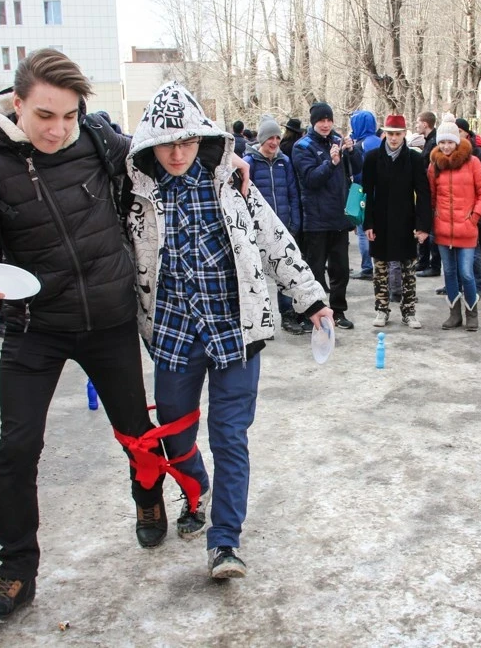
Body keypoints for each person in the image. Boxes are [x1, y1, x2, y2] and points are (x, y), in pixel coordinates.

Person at [0, 49, 168, 621]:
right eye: (44, 116)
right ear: (17, 104)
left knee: (135, 431)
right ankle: (16, 571)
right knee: (16, 450)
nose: (58, 130)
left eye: (68, 115)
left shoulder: (99, 140)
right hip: (34, 329)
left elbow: (165, 155)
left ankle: (149, 499)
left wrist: (224, 160)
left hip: (108, 318)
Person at [124, 80, 331, 579]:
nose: (177, 153)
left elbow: (275, 239)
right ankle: (197, 488)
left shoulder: (232, 185)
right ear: (149, 145)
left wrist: (311, 299)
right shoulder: (135, 196)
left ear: (203, 139)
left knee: (230, 436)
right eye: (166, 144)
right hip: (173, 334)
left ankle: (224, 542)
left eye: (187, 141)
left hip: (235, 330)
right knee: (175, 432)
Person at [293, 101, 361, 329]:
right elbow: (310, 179)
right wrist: (331, 163)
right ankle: (315, 312)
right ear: (313, 122)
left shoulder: (337, 141)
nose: (325, 124)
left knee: (340, 270)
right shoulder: (303, 146)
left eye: (329, 120)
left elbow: (357, 168)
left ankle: (338, 311)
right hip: (316, 220)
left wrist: (351, 151)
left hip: (339, 218)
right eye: (321, 120)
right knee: (314, 271)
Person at [362, 114, 432, 328]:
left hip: (406, 220)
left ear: (404, 134)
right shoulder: (373, 157)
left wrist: (423, 226)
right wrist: (368, 223)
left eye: (398, 134)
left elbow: (423, 193)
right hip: (380, 221)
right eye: (390, 134)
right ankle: (382, 310)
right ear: (384, 134)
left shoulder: (414, 158)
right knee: (380, 269)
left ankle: (409, 311)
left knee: (408, 269)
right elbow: (366, 193)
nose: (393, 138)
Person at [243, 116, 307, 335]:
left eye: (278, 138)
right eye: (270, 138)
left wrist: (294, 223)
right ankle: (260, 322)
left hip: (282, 228)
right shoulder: (249, 162)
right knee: (256, 278)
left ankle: (287, 316)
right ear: (262, 139)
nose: (274, 142)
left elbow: (293, 194)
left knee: (285, 275)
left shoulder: (284, 162)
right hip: (256, 231)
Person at [427, 121, 481, 331]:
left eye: (450, 142)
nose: (446, 146)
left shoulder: (472, 162)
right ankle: (454, 314)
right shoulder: (435, 165)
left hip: (467, 229)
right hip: (443, 229)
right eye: (442, 142)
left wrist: (474, 217)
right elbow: (431, 197)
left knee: (466, 273)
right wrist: (433, 219)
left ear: (457, 142)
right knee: (449, 272)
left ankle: (472, 313)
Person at [349, 110, 381, 281]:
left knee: (363, 232)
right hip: (382, 193)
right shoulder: (381, 141)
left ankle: (367, 267)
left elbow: (358, 173)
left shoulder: (359, 146)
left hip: (365, 193)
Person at [415, 111, 441, 276]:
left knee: (432, 231)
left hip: (432, 191)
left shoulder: (434, 142)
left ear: (425, 124)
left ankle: (433, 264)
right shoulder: (428, 141)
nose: (416, 125)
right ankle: (423, 261)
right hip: (426, 190)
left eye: (418, 122)